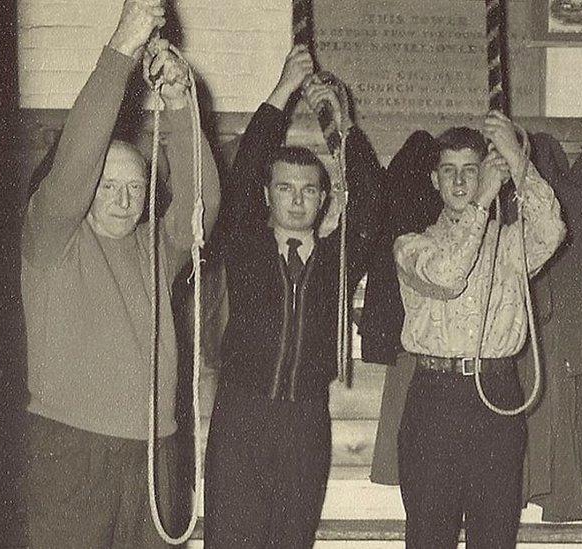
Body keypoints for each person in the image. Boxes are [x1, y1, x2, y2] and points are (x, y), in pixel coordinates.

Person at [19, 0, 221, 546]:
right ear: (86, 191)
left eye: (135, 187)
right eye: (108, 186)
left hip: (154, 450)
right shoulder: (51, 235)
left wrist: (179, 103)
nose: (125, 199)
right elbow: (76, 157)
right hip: (71, 447)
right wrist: (121, 49)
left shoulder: (157, 248)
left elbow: (201, 204)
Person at [203, 44, 382, 547]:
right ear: (268, 195)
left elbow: (371, 198)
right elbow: (239, 178)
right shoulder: (245, 246)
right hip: (241, 418)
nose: (298, 199)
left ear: (325, 198)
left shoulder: (337, 260)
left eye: (309, 190)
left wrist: (340, 124)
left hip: (305, 424)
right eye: (285, 188)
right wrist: (283, 92)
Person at [393, 119, 565, 548]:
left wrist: (518, 161)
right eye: (448, 170)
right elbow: (449, 276)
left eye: (470, 169)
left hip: (498, 393)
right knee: (429, 536)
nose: (459, 180)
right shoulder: (412, 245)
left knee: (495, 535)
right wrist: (485, 196)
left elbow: (552, 231)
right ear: (434, 179)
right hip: (436, 398)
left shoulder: (510, 244)